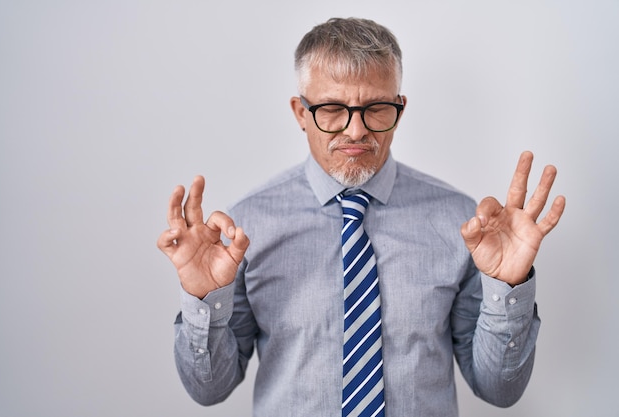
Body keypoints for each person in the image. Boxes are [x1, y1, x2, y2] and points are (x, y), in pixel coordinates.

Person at [157, 17, 566, 417]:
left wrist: (507, 286)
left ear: (400, 110)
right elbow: (209, 391)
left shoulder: (464, 225)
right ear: (301, 112)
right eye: (332, 109)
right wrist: (202, 301)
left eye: (376, 108)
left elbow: (499, 391)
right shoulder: (246, 228)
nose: (355, 131)